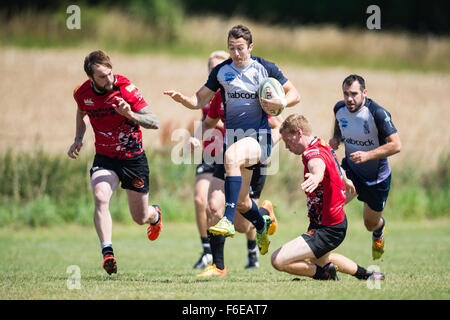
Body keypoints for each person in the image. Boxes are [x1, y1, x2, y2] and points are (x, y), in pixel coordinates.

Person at [164, 24, 300, 257]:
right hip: (235, 140)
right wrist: (183, 100)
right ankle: (263, 221)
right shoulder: (222, 72)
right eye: (231, 49)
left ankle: (225, 221)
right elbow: (199, 99)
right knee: (243, 205)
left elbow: (294, 94)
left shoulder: (265, 68)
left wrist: (281, 103)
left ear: (250, 46)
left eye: (240, 48)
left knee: (230, 157)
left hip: (260, 139)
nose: (236, 54)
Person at [68, 50, 162, 275]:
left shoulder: (126, 89)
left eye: (110, 73)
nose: (109, 79)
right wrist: (78, 139)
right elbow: (82, 113)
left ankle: (155, 215)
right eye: (102, 76)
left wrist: (130, 114)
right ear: (91, 78)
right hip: (105, 158)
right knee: (100, 197)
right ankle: (107, 252)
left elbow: (153, 122)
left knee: (139, 218)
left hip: (133, 159)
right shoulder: (82, 93)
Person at [271, 114, 385, 281]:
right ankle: (367, 275)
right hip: (332, 223)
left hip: (327, 228)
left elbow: (317, 164)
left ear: (299, 133)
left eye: (288, 141)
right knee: (323, 260)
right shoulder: (322, 143)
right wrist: (345, 179)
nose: (287, 147)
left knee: (278, 260)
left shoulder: (311, 153)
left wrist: (317, 176)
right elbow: (336, 164)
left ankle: (324, 275)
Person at [192, 90, 283, 276]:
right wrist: (196, 135)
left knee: (242, 225)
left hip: (253, 162)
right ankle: (219, 267)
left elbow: (278, 126)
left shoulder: (250, 96)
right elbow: (207, 122)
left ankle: (265, 213)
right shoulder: (218, 98)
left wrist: (265, 146)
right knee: (212, 207)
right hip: (227, 157)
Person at [329, 74, 401, 260]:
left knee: (370, 223)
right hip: (350, 171)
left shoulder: (377, 113)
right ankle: (317, 249)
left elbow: (396, 145)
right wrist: (336, 138)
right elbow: (339, 124)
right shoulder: (339, 108)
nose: (349, 99)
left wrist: (368, 155)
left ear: (364, 93)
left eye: (354, 94)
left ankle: (379, 231)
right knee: (330, 205)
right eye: (346, 94)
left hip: (377, 178)